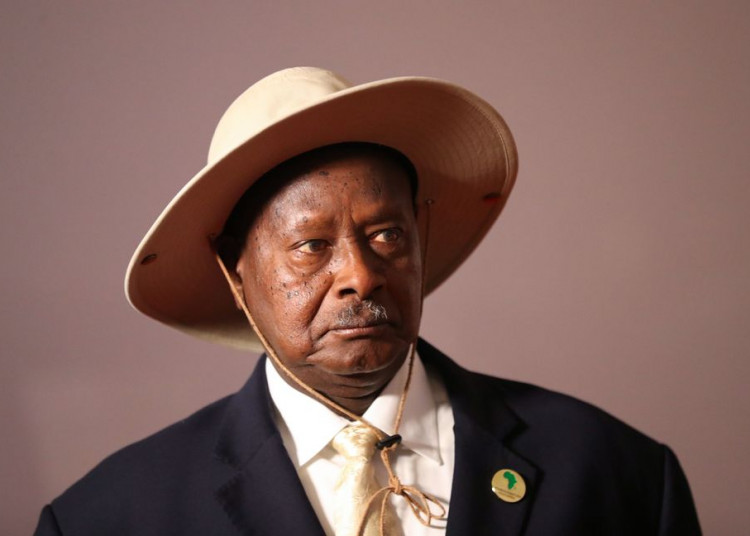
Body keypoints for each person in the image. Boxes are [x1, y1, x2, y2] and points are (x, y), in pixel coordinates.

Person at [34, 67, 701, 535]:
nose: (361, 275)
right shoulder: (109, 517)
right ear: (235, 275)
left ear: (421, 238)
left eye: (386, 235)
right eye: (311, 245)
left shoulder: (617, 474)